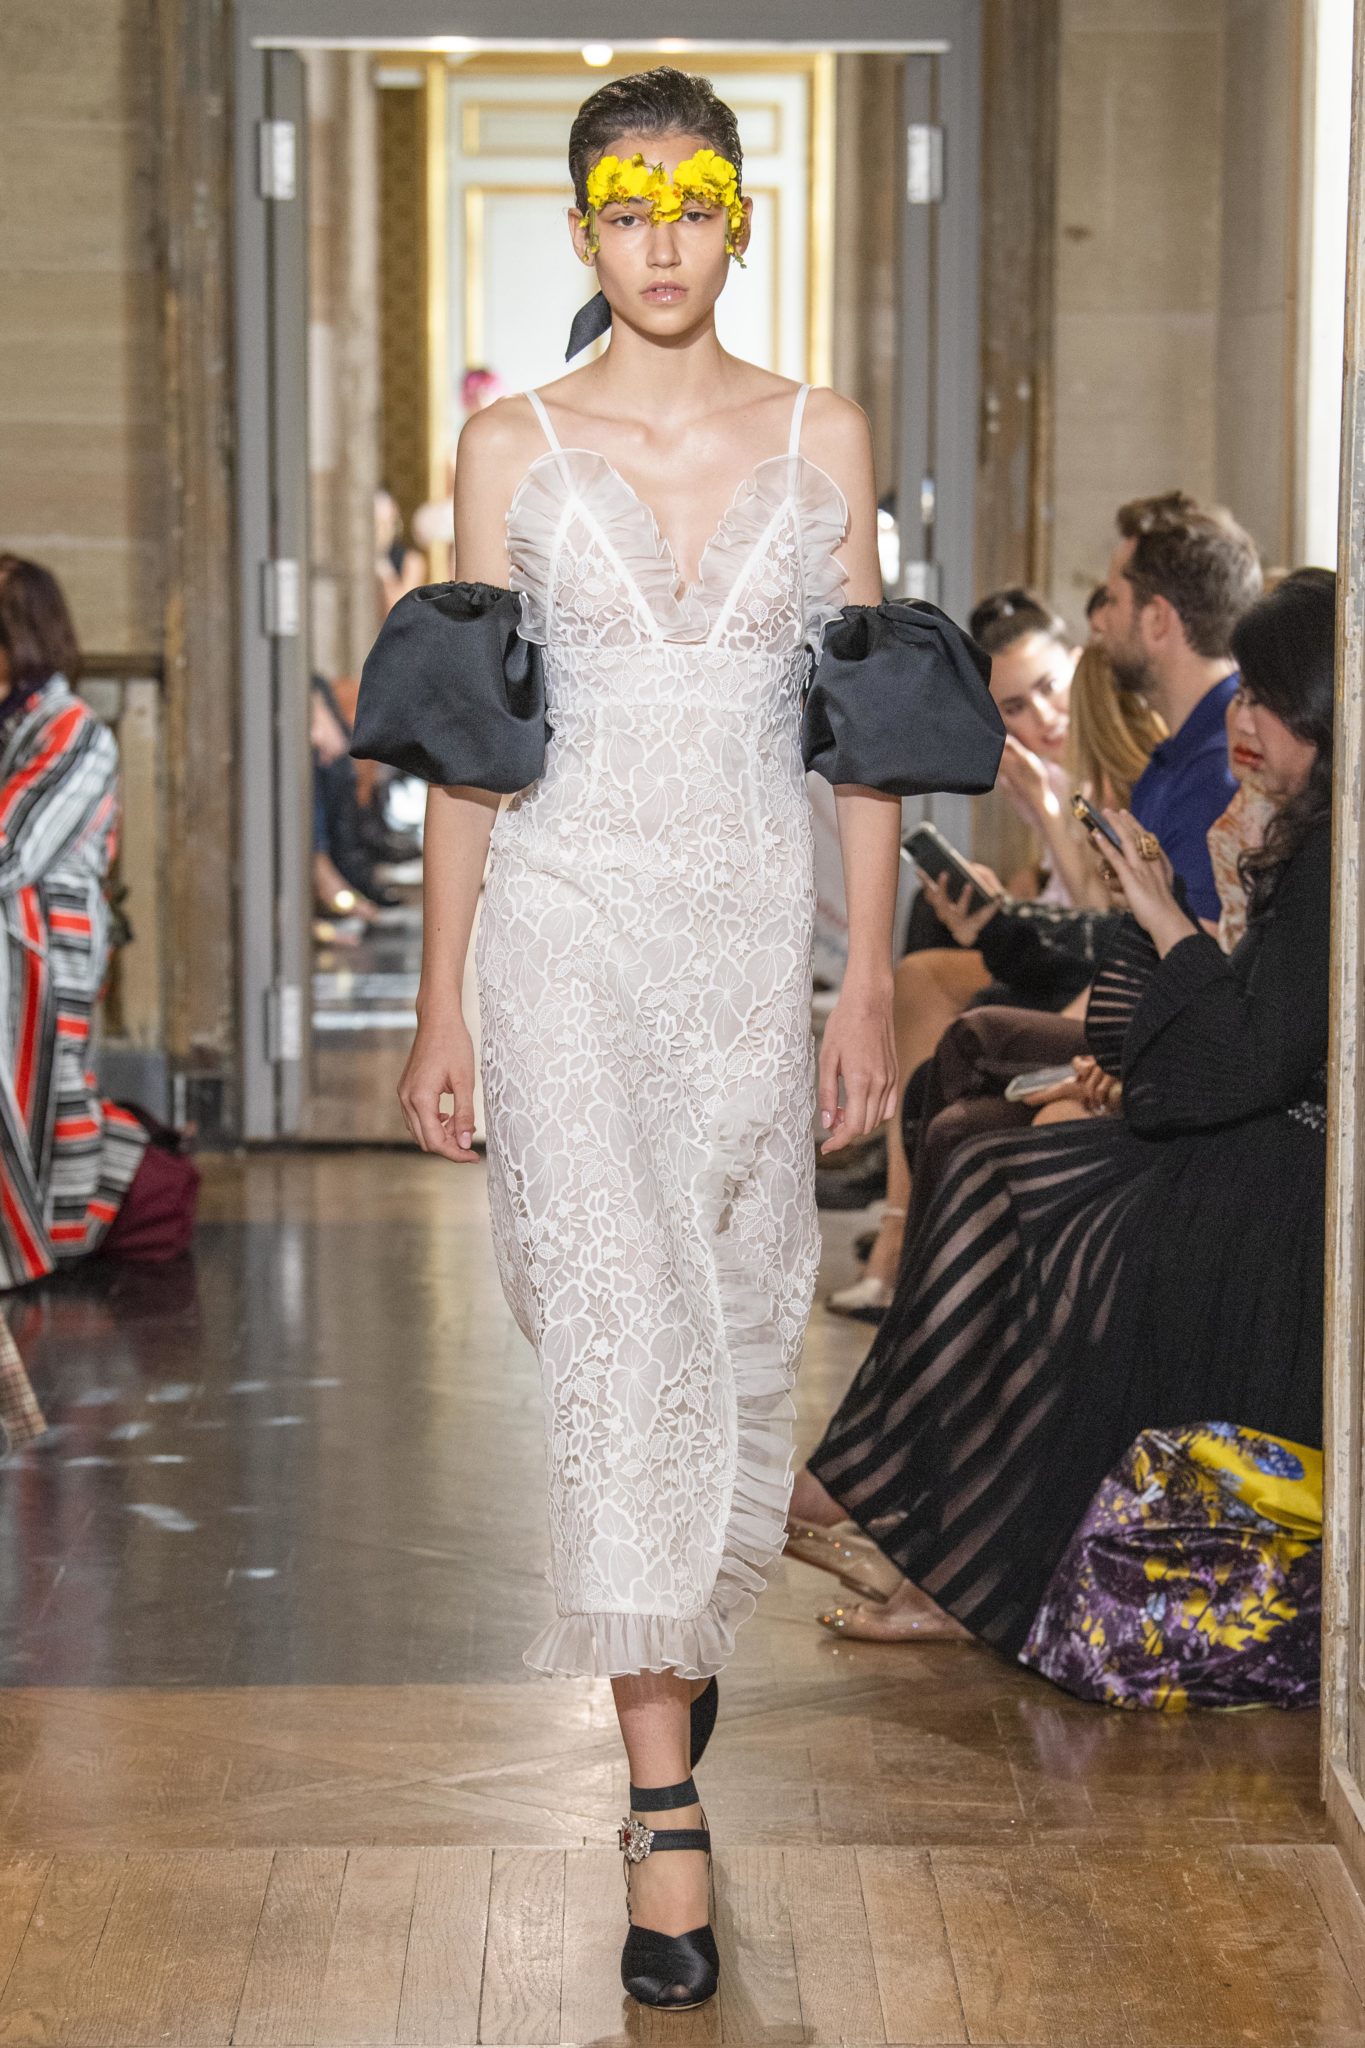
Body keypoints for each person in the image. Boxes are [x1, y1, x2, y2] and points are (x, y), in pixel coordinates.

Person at [349, 66, 1001, 2010]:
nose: (657, 240)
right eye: (622, 209)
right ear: (580, 230)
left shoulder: (822, 432)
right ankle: (663, 1812)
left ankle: (669, 1636)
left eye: (690, 202)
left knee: (725, 1321)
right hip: (561, 932)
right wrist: (443, 1002)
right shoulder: (512, 444)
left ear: (736, 219)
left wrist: (864, 986)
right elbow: (474, 748)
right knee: (620, 1325)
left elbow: (867, 742)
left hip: (741, 946)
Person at [796, 570, 1332, 1696]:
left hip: (1294, 1187)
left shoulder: (1335, 846)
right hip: (1270, 1148)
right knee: (997, 1157)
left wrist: (1161, 921)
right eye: (1243, 695)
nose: (1244, 720)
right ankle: (913, 1520)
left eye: (1268, 700)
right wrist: (1159, 924)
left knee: (1018, 1181)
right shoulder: (1299, 827)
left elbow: (1244, 1057)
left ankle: (924, 1534)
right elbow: (1227, 1043)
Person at [829, 629, 1162, 1320]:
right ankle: (896, 1203)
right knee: (928, 956)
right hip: (1074, 962)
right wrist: (1003, 896)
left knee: (956, 1001)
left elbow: (1108, 922)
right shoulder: (1036, 779)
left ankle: (903, 1220)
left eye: (1048, 689)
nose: (1042, 717)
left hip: (1108, 976)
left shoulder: (1099, 773)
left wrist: (1048, 813)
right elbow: (1058, 905)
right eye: (1013, 707)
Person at [1090, 489, 1262, 926]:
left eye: (1112, 600)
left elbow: (1195, 960)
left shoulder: (1221, 770)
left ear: (1157, 619)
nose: (1099, 621)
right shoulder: (1179, 756)